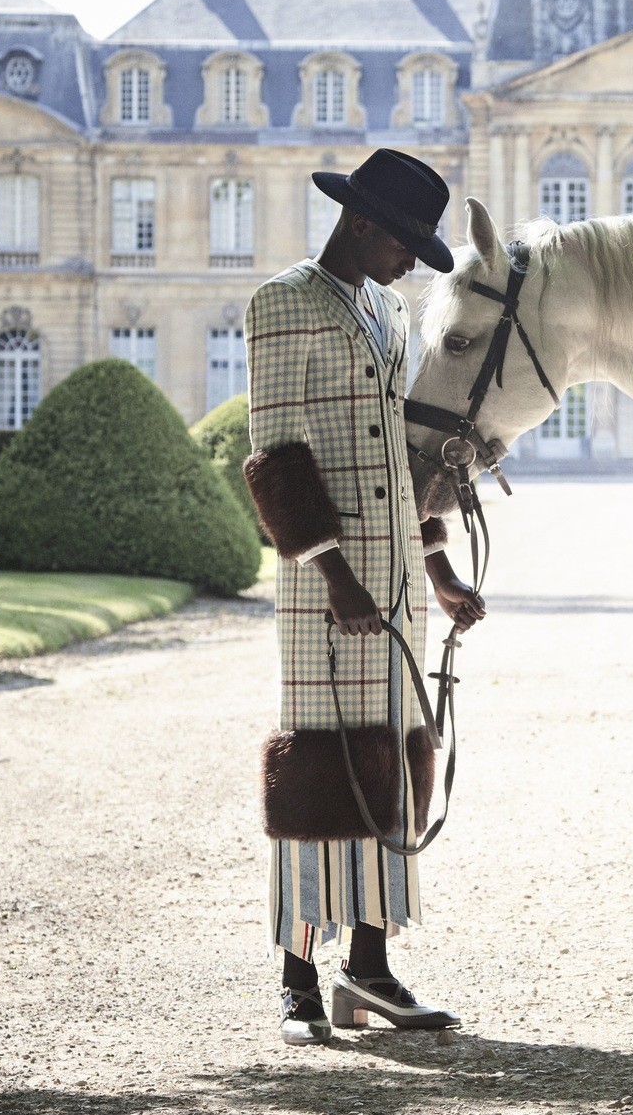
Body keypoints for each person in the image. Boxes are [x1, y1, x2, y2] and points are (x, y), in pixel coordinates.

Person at [242, 148, 486, 1046]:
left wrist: (438, 567)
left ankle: (370, 967)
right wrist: (333, 571)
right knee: (319, 768)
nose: (411, 264)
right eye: (406, 243)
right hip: (324, 586)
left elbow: (399, 462)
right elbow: (273, 452)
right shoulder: (283, 303)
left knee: (391, 760)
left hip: (392, 587)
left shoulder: (387, 308)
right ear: (364, 222)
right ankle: (300, 971)